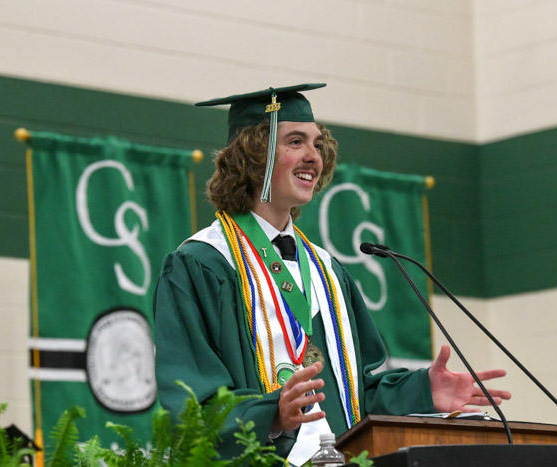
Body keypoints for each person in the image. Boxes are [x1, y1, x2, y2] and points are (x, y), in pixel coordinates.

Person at [153, 83, 511, 465]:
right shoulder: (202, 265)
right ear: (253, 156)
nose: (313, 156)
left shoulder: (327, 271)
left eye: (318, 144)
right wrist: (272, 413)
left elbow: (356, 396)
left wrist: (424, 391)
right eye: (295, 142)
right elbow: (191, 409)